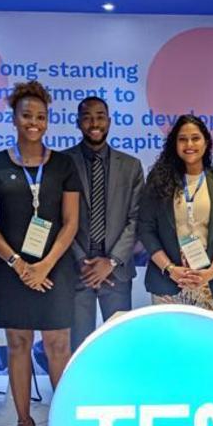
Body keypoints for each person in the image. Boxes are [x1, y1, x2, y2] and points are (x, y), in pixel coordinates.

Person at [0, 81, 81, 426]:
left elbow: (70, 223)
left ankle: (65, 424)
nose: (34, 122)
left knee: (58, 346)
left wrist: (44, 266)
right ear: (14, 118)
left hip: (54, 269)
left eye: (41, 116)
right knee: (18, 346)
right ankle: (24, 423)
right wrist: (19, 264)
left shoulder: (63, 165)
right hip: (12, 271)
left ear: (48, 120)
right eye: (26, 115)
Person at [62, 96, 144, 352]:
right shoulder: (62, 163)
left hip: (116, 272)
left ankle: (119, 384)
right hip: (78, 270)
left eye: (100, 117)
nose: (94, 123)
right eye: (87, 118)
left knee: (120, 346)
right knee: (78, 347)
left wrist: (111, 261)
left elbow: (136, 219)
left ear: (109, 121)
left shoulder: (131, 166)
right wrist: (82, 261)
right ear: (78, 122)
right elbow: (59, 219)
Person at [137, 114, 213, 310]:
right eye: (183, 139)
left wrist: (211, 272)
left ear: (206, 142)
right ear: (174, 144)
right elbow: (145, 229)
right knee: (171, 332)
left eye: (195, 138)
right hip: (170, 282)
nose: (189, 144)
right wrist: (170, 269)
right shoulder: (158, 181)